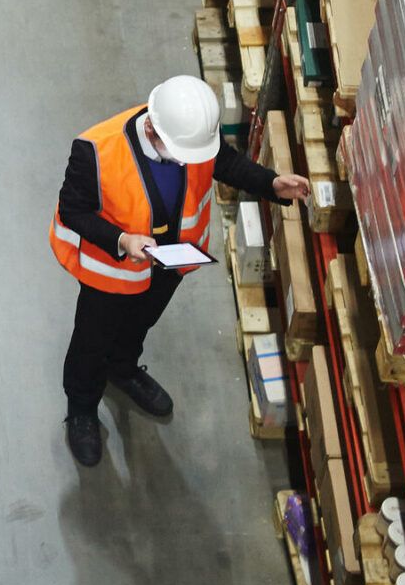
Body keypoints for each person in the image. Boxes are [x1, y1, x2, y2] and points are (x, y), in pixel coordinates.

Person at [52, 75, 311, 468]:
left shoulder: (190, 136)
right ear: (152, 127)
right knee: (92, 341)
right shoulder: (95, 151)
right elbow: (73, 211)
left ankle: (123, 370)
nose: (187, 162)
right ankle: (82, 409)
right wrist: (122, 241)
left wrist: (272, 183)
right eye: (179, 155)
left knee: (139, 324)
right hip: (112, 273)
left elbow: (223, 162)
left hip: (168, 264)